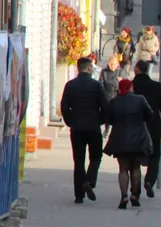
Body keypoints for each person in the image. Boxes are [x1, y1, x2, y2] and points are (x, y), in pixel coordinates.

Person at [60, 56, 109, 204]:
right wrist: (100, 120)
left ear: (78, 68)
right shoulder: (96, 86)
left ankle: (79, 195)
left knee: (78, 160)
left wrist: (70, 122)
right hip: (93, 127)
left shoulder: (70, 85)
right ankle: (90, 180)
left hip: (77, 129)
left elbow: (64, 107)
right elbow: (105, 107)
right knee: (95, 156)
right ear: (88, 68)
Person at [103, 79, 154, 209]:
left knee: (123, 168)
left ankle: (124, 195)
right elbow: (150, 115)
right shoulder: (140, 99)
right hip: (138, 139)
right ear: (131, 87)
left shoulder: (114, 102)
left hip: (120, 139)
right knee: (136, 167)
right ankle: (134, 196)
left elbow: (109, 120)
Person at [132, 59, 161, 198]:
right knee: (155, 157)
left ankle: (135, 191)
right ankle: (149, 181)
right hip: (153, 127)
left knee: (135, 159)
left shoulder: (131, 86)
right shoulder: (157, 87)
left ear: (136, 70)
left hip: (135, 128)